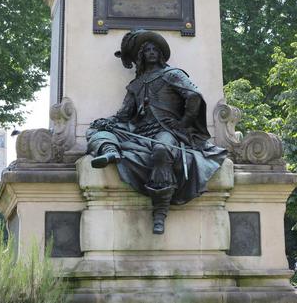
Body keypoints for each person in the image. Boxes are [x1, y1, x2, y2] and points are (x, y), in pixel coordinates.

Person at [87, 29, 227, 234]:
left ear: (160, 54)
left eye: (155, 49)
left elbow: (194, 97)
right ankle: (110, 151)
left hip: (166, 130)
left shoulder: (173, 74)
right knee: (96, 131)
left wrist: (183, 122)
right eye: (147, 50)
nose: (151, 52)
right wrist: (106, 122)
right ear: (141, 56)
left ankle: (160, 212)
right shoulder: (135, 85)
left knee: (162, 150)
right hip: (140, 132)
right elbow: (124, 115)